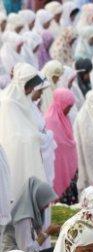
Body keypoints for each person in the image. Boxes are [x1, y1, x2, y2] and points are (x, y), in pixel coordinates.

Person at [0, 63, 48, 201]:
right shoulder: (8, 103)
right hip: (15, 155)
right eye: (30, 86)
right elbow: (11, 135)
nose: (32, 89)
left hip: (28, 152)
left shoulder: (24, 100)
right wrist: (35, 136)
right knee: (16, 191)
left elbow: (30, 126)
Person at [1, 177, 57, 252]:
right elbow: (28, 251)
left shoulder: (24, 211)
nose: (48, 206)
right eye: (46, 202)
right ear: (38, 199)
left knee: (56, 251)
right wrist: (47, 233)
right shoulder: (23, 218)